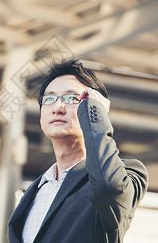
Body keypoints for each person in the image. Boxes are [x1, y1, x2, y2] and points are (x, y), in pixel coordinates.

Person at [8, 59, 148, 243]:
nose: (58, 107)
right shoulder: (34, 192)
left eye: (71, 98)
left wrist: (96, 113)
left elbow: (108, 188)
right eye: (49, 99)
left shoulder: (128, 174)